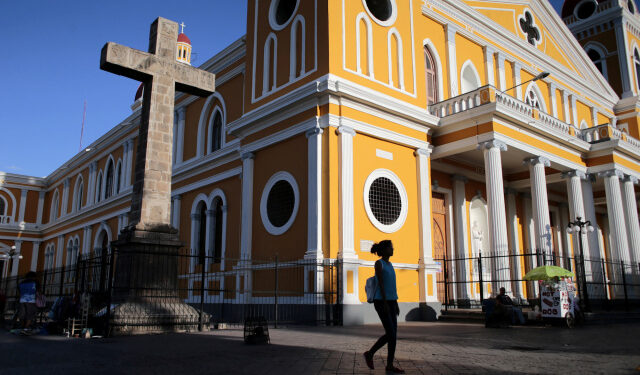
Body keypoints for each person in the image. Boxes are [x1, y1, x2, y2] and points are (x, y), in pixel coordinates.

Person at [363, 240, 404, 374]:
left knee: (393, 335)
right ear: (385, 250)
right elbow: (381, 283)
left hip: (392, 301)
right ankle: (370, 353)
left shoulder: (390, 264)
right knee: (391, 333)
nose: (393, 250)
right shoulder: (379, 263)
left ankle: (390, 365)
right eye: (390, 248)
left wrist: (395, 303)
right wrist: (386, 302)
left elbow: (392, 285)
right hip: (381, 302)